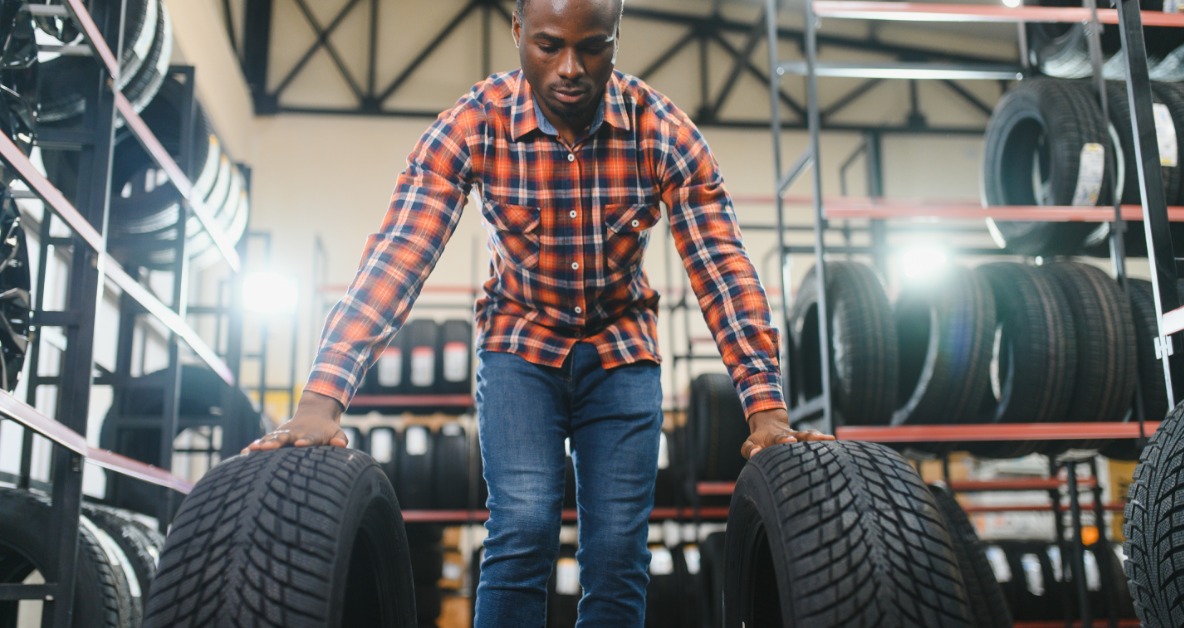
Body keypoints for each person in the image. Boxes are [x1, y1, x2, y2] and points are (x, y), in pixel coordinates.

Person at [246, 0, 833, 624]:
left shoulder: (661, 129)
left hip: (622, 353)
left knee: (616, 553)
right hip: (518, 350)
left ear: (616, 39)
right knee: (522, 532)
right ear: (519, 33)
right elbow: (399, 258)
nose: (571, 68)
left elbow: (721, 265)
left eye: (594, 47)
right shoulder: (474, 123)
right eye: (549, 46)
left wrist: (764, 408)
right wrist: (321, 401)